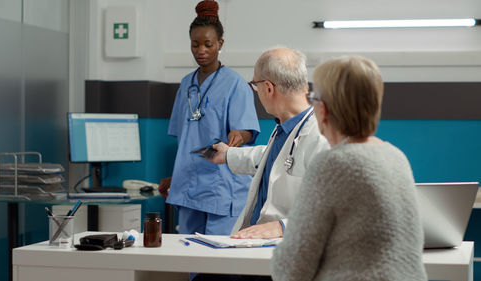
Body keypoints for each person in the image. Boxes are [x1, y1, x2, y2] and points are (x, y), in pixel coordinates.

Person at [271, 55, 427, 281]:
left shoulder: (332, 164)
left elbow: (291, 268)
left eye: (312, 98)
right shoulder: (396, 157)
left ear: (322, 110)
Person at [158, 0, 260, 236]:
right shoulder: (186, 85)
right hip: (188, 187)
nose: (201, 51)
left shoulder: (236, 85)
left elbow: (246, 132)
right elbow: (186, 141)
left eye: (208, 44)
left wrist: (240, 135)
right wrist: (177, 175)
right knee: (189, 258)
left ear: (220, 44)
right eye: (195, 45)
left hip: (221, 187)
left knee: (219, 263)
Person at [208, 47, 329, 239]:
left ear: (268, 88)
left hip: (290, 249)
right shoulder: (285, 128)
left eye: (256, 86)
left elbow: (334, 210)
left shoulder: (322, 137)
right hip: (260, 246)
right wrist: (228, 154)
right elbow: (273, 160)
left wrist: (282, 227)